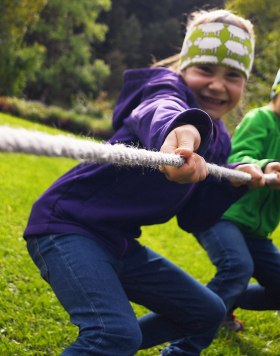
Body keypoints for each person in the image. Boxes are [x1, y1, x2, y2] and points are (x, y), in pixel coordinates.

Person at [23, 9, 264, 355]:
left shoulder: (221, 140)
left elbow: (193, 217)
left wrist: (232, 182)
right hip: (67, 226)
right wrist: (181, 131)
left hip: (117, 241)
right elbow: (159, 110)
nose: (217, 84)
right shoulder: (163, 87)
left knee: (207, 312)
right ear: (184, 67)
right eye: (206, 70)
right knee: (115, 335)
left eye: (233, 75)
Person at [164, 52, 280, 353]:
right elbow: (238, 158)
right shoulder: (259, 118)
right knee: (237, 266)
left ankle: (222, 302)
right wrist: (268, 164)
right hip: (225, 214)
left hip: (257, 231)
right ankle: (182, 344)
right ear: (277, 92)